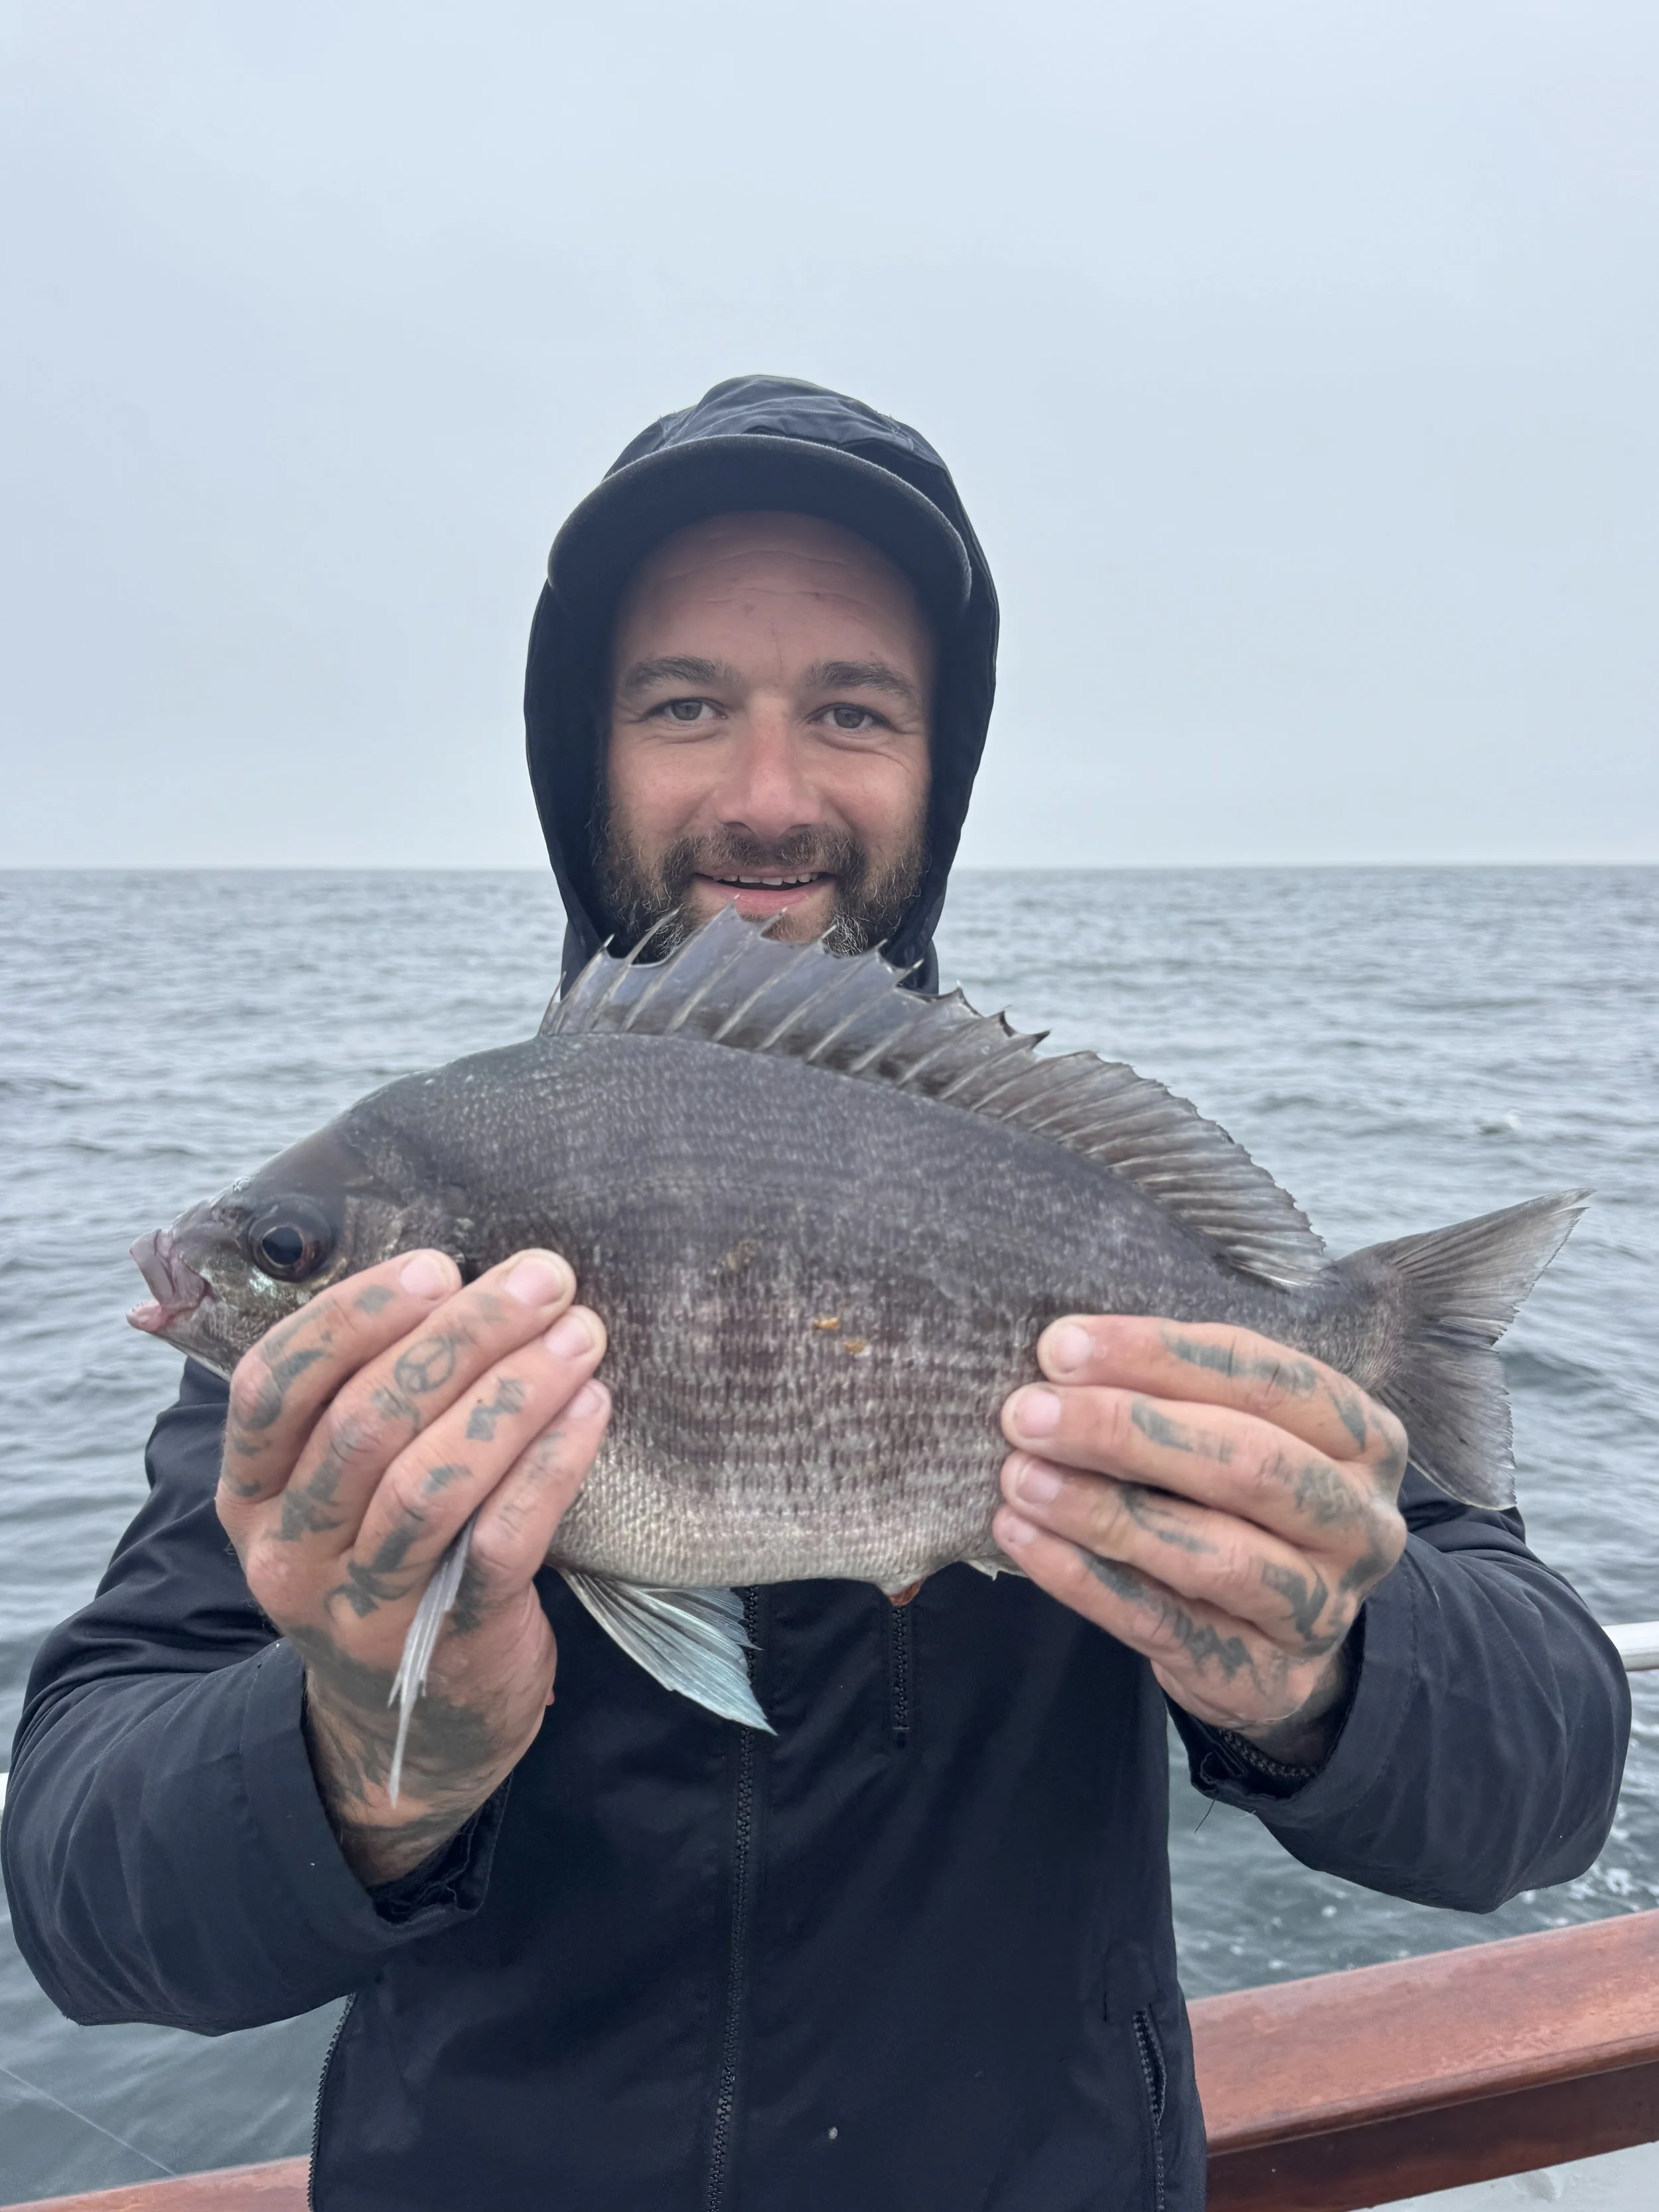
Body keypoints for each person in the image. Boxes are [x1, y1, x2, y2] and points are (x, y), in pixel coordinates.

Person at [3, 376, 1629, 2212]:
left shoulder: (1089, 1232)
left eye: (849, 710)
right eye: (685, 703)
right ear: (580, 751)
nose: (765, 796)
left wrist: (1332, 1662)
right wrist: (362, 1753)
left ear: (939, 765)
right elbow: (84, 1896)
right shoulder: (333, 1332)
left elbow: (1547, 1773)